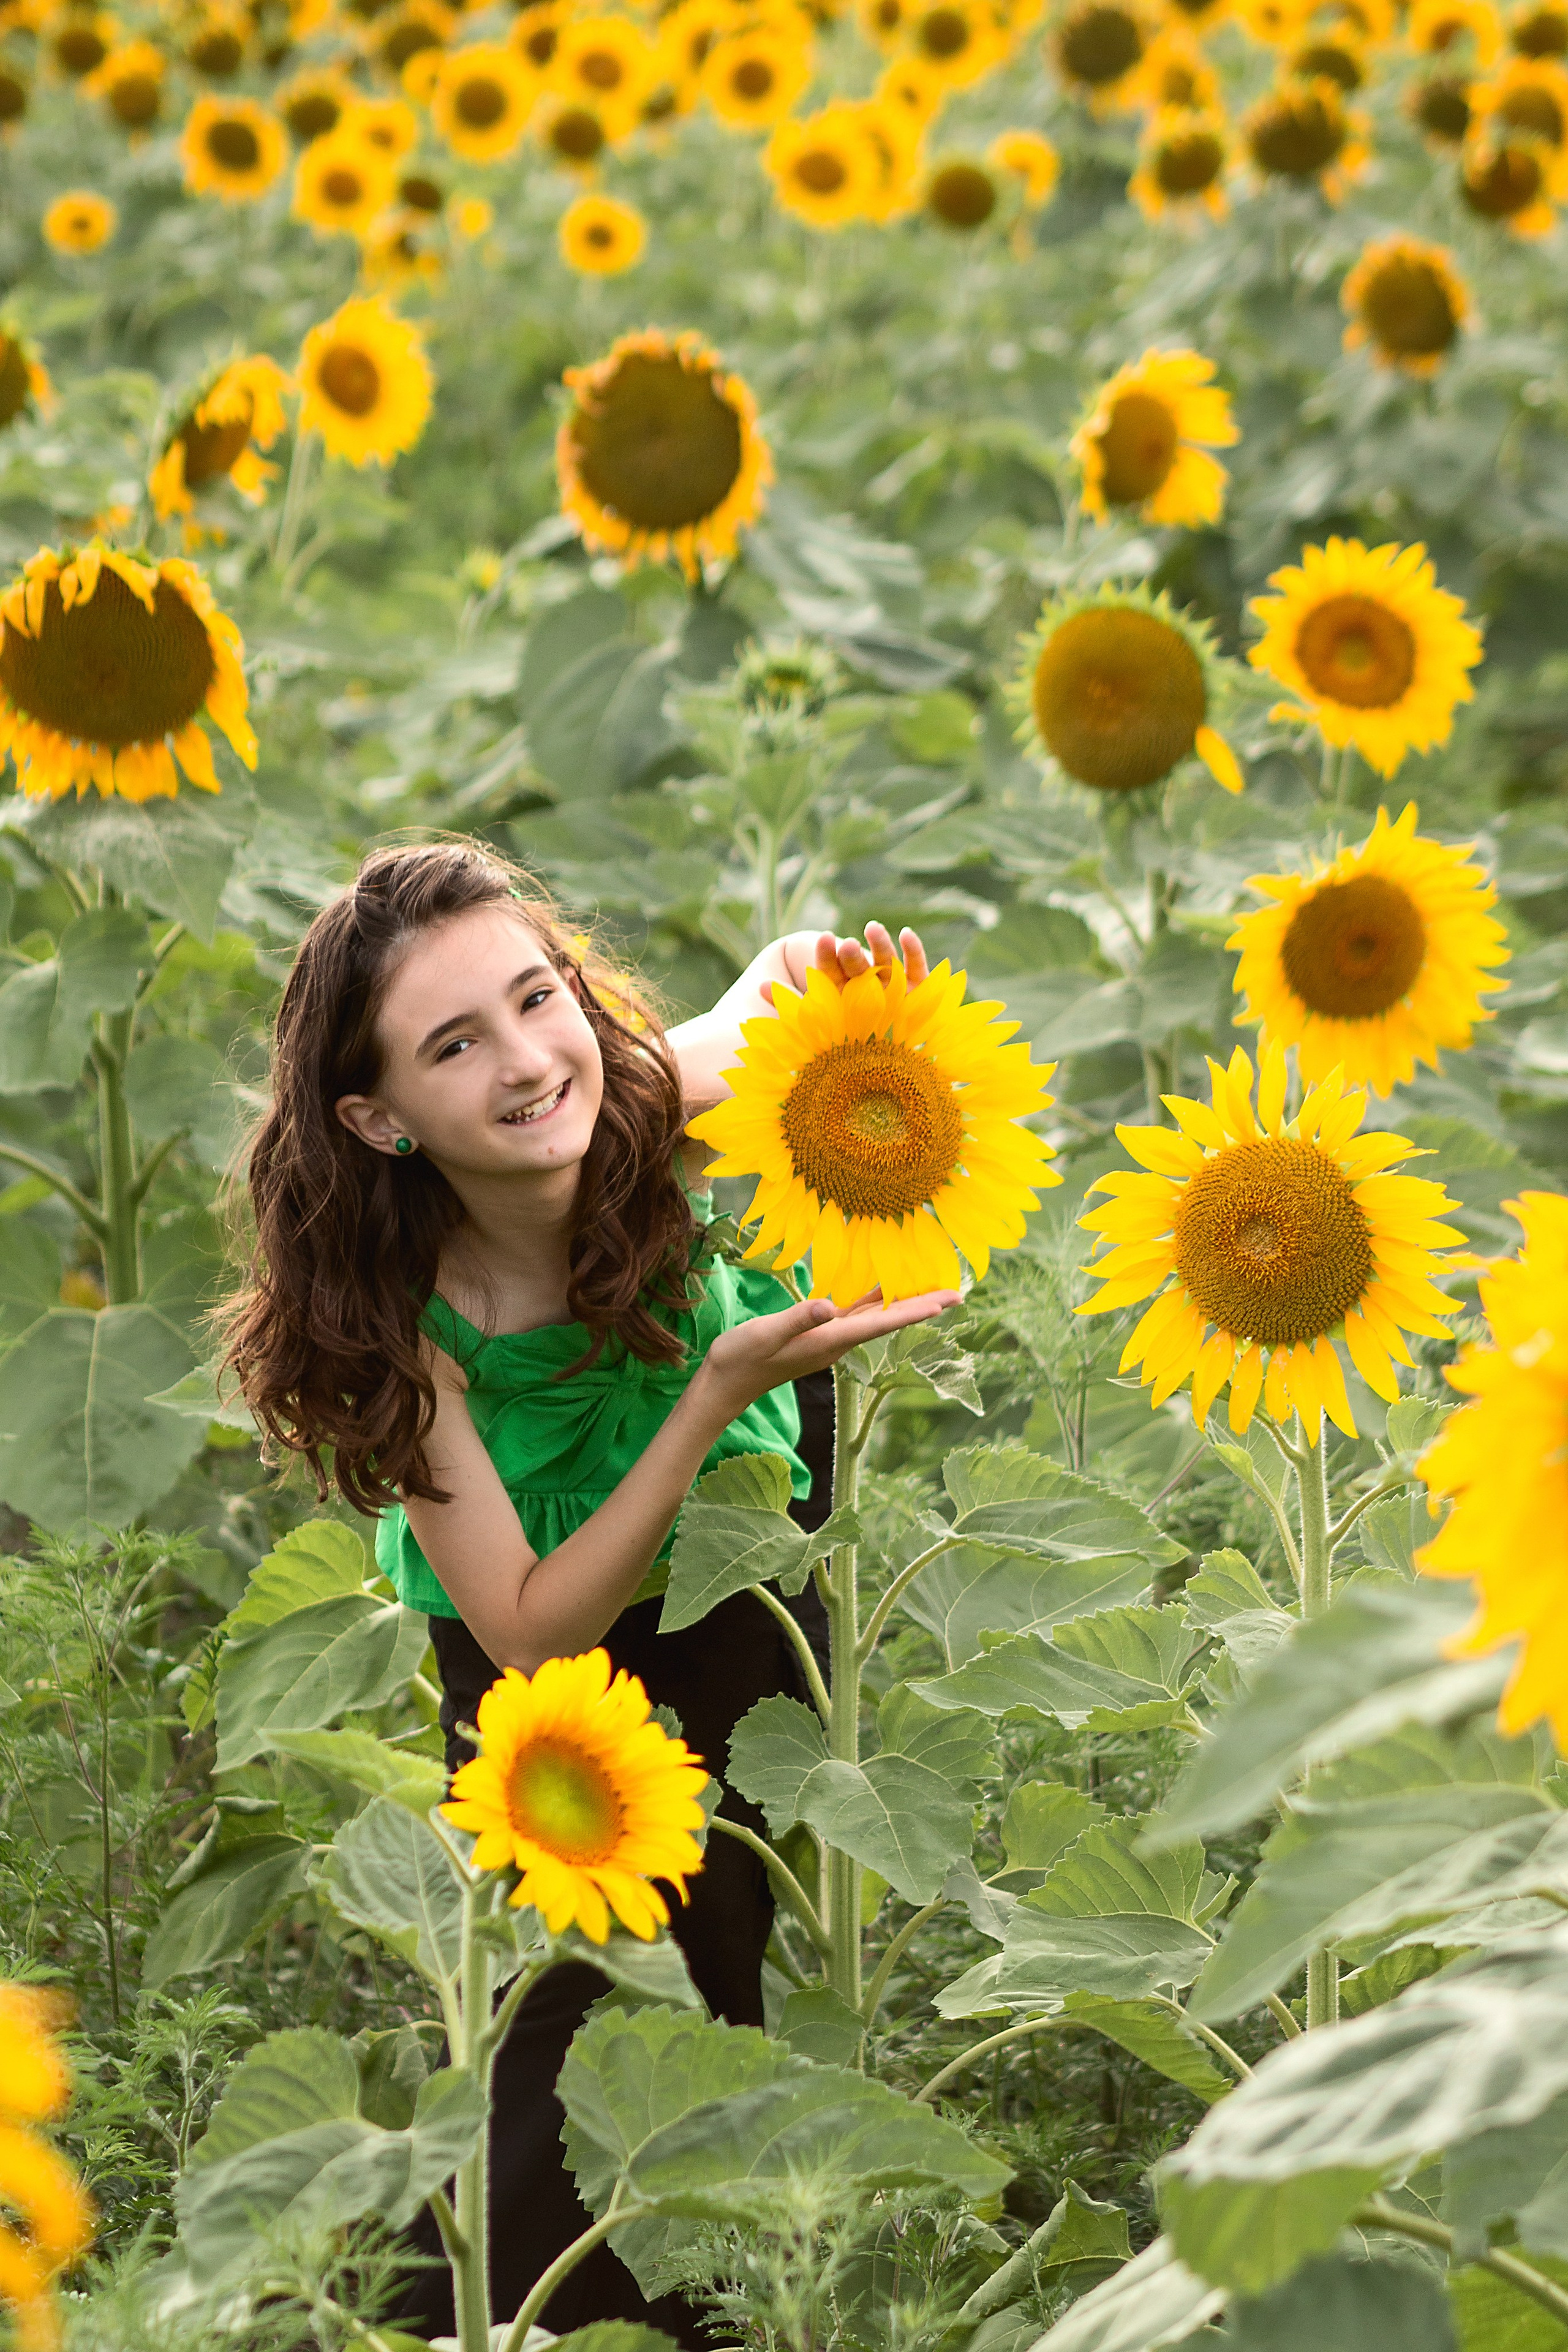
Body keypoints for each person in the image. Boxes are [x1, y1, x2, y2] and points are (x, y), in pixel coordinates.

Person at [222, 838, 956, 2342]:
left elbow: (775, 987)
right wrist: (706, 1397)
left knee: (731, 2001)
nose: (524, 1060)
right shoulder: (399, 1318)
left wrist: (839, 984)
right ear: (377, 1118)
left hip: (744, 1610)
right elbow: (525, 1622)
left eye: (537, 996)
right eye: (454, 1044)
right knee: (561, 2057)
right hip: (555, 1708)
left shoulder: (623, 1099)